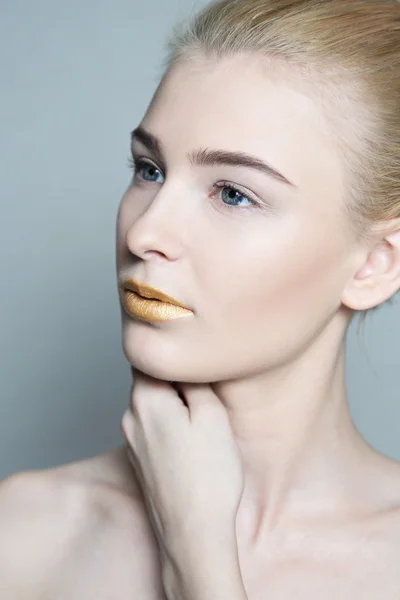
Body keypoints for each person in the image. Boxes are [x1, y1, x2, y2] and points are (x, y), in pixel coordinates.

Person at [1, 0, 400, 597]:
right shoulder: (24, 534)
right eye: (149, 169)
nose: (144, 234)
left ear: (375, 264)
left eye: (234, 194)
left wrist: (198, 553)